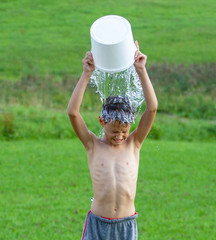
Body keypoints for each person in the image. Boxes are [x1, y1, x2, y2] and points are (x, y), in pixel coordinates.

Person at [67, 40, 158, 240]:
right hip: (98, 224)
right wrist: (86, 74)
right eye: (114, 131)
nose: (119, 136)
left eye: (124, 131)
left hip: (126, 225)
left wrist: (141, 70)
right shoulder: (92, 145)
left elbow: (152, 108)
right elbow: (73, 113)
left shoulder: (134, 144)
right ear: (102, 121)